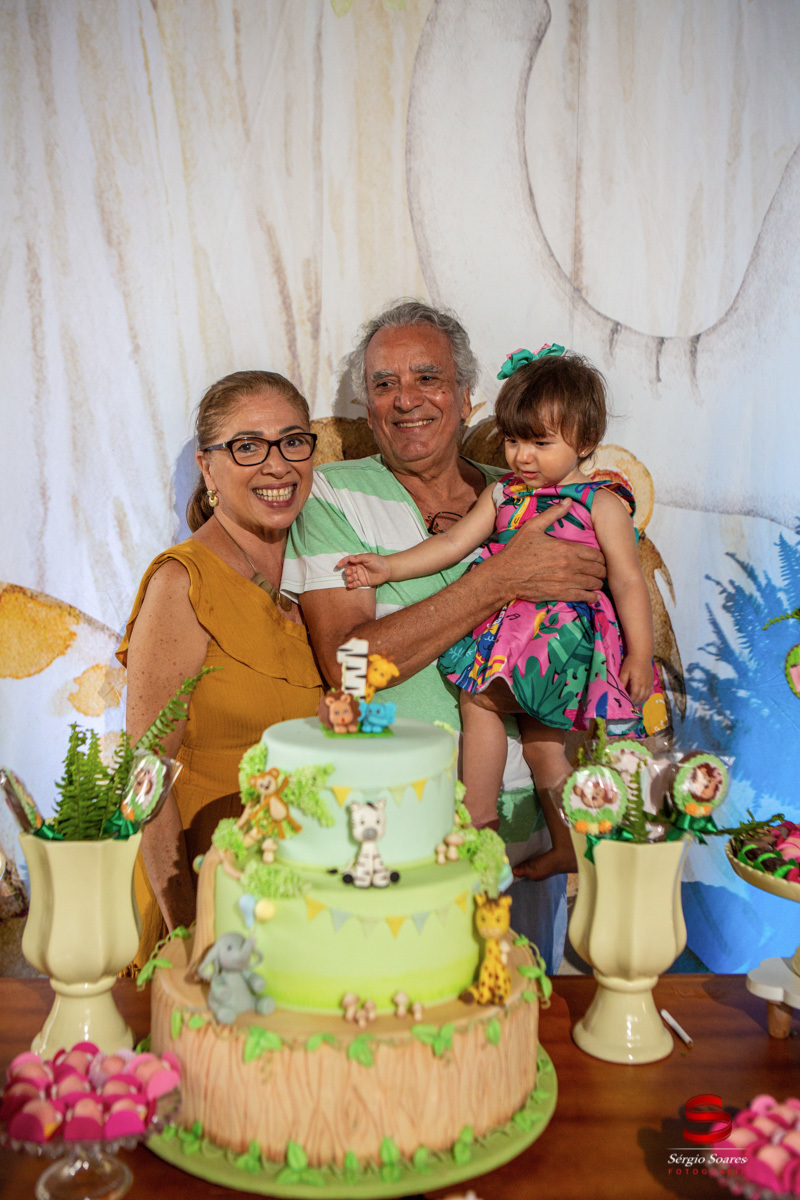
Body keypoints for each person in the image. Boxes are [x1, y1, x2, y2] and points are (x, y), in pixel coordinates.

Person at [282, 301, 606, 971]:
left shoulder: (528, 491)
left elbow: (590, 608)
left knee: (523, 1007)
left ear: (465, 398)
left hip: (534, 827)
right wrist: (501, 579)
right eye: (384, 384)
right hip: (404, 832)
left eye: (427, 378)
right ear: (367, 406)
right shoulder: (332, 496)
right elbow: (350, 667)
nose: (406, 400)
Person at [337, 344, 661, 879]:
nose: (522, 457)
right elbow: (451, 545)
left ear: (585, 442)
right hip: (513, 638)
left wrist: (641, 656)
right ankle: (547, 837)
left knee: (496, 711)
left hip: (561, 644)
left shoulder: (601, 503)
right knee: (528, 738)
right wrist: (388, 568)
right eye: (512, 440)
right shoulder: (502, 494)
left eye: (540, 443)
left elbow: (628, 581)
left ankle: (493, 821)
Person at [117, 371, 323, 967]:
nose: (277, 465)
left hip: (289, 908)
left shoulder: (324, 578)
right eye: (247, 446)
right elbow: (144, 776)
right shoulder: (182, 582)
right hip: (197, 901)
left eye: (292, 441)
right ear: (207, 469)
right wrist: (190, 929)